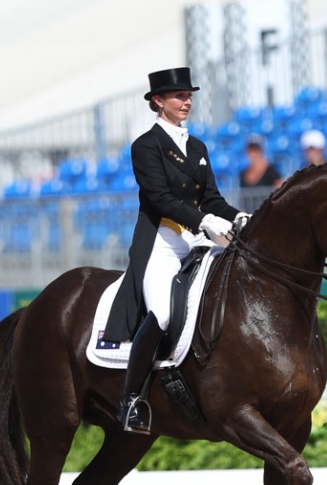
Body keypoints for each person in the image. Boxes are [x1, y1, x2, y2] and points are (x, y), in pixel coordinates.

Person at [103, 66, 249, 433]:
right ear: (158, 101)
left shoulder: (197, 146)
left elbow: (212, 198)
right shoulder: (146, 146)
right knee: (165, 314)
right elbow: (160, 198)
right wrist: (204, 222)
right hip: (163, 241)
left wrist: (239, 216)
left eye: (189, 96)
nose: (186, 102)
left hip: (197, 240)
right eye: (179, 97)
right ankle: (131, 400)